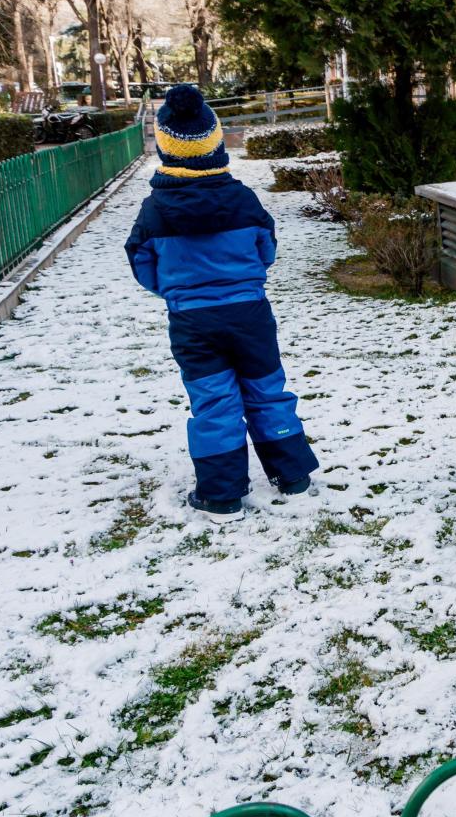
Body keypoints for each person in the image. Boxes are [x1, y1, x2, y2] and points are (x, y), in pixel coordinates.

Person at [124, 84, 318, 522]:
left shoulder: (155, 211)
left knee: (214, 401)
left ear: (165, 149)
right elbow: (266, 247)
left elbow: (141, 263)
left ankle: (222, 494)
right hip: (250, 314)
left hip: (193, 320)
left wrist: (176, 290)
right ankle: (293, 476)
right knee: (267, 391)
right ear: (215, 144)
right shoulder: (243, 200)